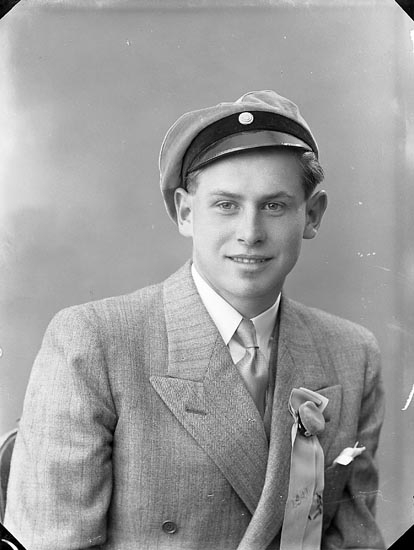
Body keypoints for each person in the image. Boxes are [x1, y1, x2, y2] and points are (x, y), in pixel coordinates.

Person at [5, 90, 385, 550]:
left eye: (274, 205)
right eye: (226, 205)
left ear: (313, 215)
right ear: (186, 212)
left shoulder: (351, 353)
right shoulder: (95, 343)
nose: (250, 233)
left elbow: (355, 541)